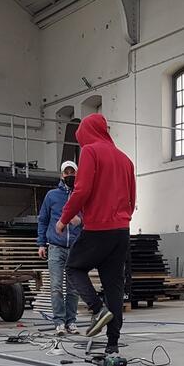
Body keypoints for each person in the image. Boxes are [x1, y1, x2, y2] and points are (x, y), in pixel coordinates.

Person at [56, 113, 136, 353]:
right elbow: (132, 199)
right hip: (121, 231)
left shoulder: (90, 151)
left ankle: (97, 309)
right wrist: (122, 219)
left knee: (73, 267)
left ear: (86, 133)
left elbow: (82, 191)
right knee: (114, 287)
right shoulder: (125, 160)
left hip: (98, 228)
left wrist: (64, 219)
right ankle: (112, 346)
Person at [37, 160, 82, 335]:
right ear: (61, 175)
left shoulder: (81, 195)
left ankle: (71, 321)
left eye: (72, 172)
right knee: (56, 286)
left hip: (75, 248)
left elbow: (90, 218)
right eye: (66, 172)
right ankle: (59, 322)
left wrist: (80, 221)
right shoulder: (52, 196)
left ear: (77, 174)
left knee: (73, 288)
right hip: (56, 247)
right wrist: (41, 243)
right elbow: (43, 220)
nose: (70, 175)